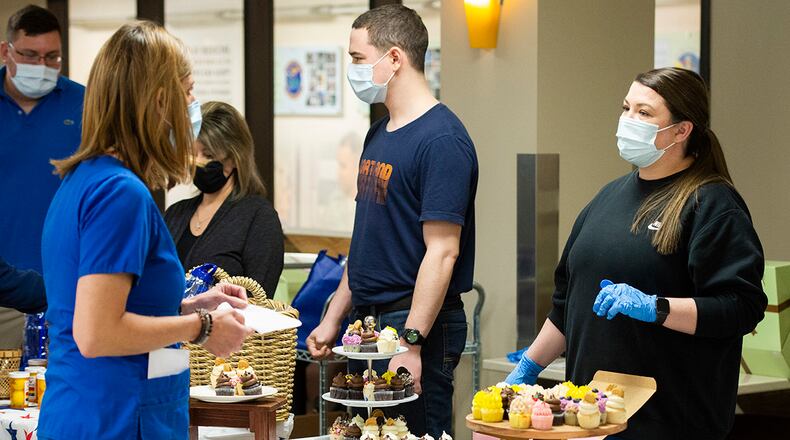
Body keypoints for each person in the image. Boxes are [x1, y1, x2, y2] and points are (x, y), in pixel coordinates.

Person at [506, 68, 767, 440]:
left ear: (682, 130)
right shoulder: (607, 197)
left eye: (644, 113)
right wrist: (530, 366)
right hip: (590, 420)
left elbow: (740, 307)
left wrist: (655, 307)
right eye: (626, 108)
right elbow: (568, 304)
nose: (628, 120)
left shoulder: (710, 204)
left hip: (669, 422)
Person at [38, 22, 254, 439]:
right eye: (188, 92)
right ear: (159, 101)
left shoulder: (85, 181)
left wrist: (189, 307)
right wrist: (203, 328)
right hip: (114, 418)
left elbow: (111, 307)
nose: (194, 106)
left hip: (93, 411)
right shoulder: (120, 194)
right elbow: (97, 332)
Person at [306, 5, 478, 437]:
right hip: (367, 322)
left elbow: (443, 252)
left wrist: (410, 343)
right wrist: (334, 315)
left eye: (358, 59)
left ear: (395, 58)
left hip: (412, 325)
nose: (353, 70)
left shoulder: (442, 140)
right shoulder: (379, 132)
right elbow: (367, 239)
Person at [0, 4, 83, 348]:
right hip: (3, 291)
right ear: (6, 51)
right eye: (31, 55)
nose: (42, 67)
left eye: (53, 58)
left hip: (66, 293)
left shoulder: (84, 104)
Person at [165, 101, 284, 295]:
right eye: (193, 154)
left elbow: (259, 300)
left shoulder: (258, 218)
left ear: (236, 158)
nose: (200, 163)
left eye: (209, 155)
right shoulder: (175, 214)